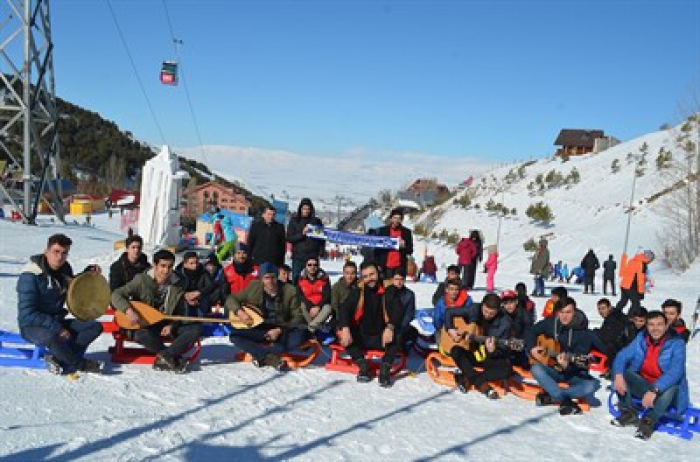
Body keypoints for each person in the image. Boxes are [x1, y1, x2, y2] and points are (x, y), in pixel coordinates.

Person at [17, 234, 104, 376]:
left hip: (57, 320)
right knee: (52, 337)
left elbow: (72, 285)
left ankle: (59, 358)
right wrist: (57, 328)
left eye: (64, 253)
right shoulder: (30, 276)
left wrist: (86, 274)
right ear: (47, 252)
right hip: (31, 326)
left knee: (94, 326)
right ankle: (80, 364)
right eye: (56, 252)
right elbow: (28, 313)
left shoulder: (64, 268)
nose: (60, 257)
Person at [111, 250, 203, 373]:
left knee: (195, 329)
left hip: (168, 323)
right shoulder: (141, 280)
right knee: (141, 335)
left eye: (170, 266)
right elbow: (116, 294)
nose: (166, 271)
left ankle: (165, 356)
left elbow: (181, 310)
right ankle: (170, 356)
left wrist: (172, 325)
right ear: (155, 265)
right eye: (163, 266)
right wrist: (128, 310)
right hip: (146, 324)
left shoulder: (180, 282)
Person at [611, 310, 689, 440]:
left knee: (671, 387)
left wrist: (655, 389)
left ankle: (648, 421)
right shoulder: (641, 338)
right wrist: (618, 375)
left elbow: (676, 371)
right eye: (651, 324)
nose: (655, 328)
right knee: (623, 373)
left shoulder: (677, 343)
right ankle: (629, 412)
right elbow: (622, 356)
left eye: (659, 324)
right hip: (646, 386)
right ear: (646, 326)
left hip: (668, 393)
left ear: (666, 325)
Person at [526, 297, 606, 415]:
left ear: (575, 312)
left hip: (575, 375)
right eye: (561, 312)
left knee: (592, 386)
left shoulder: (584, 334)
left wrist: (567, 366)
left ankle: (554, 396)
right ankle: (564, 399)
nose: (564, 316)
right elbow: (530, 331)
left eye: (568, 312)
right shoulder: (553, 323)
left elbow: (599, 354)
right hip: (554, 369)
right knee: (536, 369)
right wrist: (532, 348)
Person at [226, 263, 308, 370]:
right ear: (261, 278)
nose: (270, 281)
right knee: (235, 336)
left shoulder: (290, 290)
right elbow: (231, 299)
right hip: (261, 328)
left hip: (283, 328)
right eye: (266, 278)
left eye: (273, 277)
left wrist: (279, 330)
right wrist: (240, 312)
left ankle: (259, 353)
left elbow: (297, 317)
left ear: (277, 277)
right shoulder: (253, 288)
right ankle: (268, 356)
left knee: (297, 337)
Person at [337, 262, 405, 387]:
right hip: (363, 335)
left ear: (378, 272)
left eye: (372, 274)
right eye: (366, 276)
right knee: (342, 332)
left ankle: (385, 369)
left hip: (382, 337)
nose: (369, 279)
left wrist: (390, 327)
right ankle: (363, 365)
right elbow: (345, 308)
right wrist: (345, 328)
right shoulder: (358, 290)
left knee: (398, 331)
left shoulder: (389, 289)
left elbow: (398, 309)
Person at [445, 293, 513, 399]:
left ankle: (469, 377)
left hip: (488, 357)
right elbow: (449, 312)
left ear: (498, 311)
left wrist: (492, 351)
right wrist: (450, 329)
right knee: (456, 350)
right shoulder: (474, 309)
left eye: (491, 313)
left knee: (507, 369)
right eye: (485, 311)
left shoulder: (505, 323)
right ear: (482, 305)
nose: (487, 315)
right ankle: (481, 384)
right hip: (472, 352)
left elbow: (504, 350)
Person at [286, 198, 325, 282]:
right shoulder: (294, 221)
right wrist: (302, 234)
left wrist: (321, 251)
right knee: (296, 280)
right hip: (298, 257)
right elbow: (289, 238)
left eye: (308, 209)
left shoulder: (316, 221)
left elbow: (321, 238)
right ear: (300, 209)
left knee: (313, 281)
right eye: (304, 209)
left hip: (312, 257)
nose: (306, 211)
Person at [593, 298, 634, 370]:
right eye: (599, 309)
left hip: (616, 348)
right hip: (619, 346)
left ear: (609, 307)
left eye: (603, 308)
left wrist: (595, 332)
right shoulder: (616, 314)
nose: (601, 311)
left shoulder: (613, 318)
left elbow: (608, 336)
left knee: (589, 336)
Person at [375, 208, 414, 279]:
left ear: (401, 220)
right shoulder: (382, 231)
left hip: (400, 267)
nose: (397, 220)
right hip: (385, 266)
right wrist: (377, 264)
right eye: (395, 218)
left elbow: (410, 250)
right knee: (386, 288)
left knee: (398, 288)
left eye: (399, 218)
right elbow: (377, 249)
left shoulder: (407, 232)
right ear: (391, 219)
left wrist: (404, 246)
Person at [296, 257, 333, 333]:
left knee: (328, 308)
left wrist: (318, 306)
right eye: (309, 265)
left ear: (318, 266)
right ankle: (315, 329)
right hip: (307, 305)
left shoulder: (324, 277)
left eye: (315, 265)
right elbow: (299, 295)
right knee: (302, 305)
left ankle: (310, 329)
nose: (312, 267)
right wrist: (310, 306)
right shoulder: (300, 277)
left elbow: (327, 295)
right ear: (305, 266)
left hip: (320, 305)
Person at [176, 251, 218, 315]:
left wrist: (198, 293)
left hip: (200, 298)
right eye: (191, 263)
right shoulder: (178, 273)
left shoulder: (202, 271)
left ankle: (204, 316)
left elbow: (211, 285)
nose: (195, 265)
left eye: (196, 263)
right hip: (184, 299)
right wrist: (185, 297)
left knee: (213, 293)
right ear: (185, 264)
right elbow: (175, 290)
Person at [385, 270, 417, 353]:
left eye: (401, 279)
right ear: (392, 280)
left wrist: (400, 326)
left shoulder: (409, 294)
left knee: (413, 332)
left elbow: (410, 313)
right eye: (396, 279)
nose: (399, 282)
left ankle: (403, 348)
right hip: (387, 324)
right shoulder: (386, 292)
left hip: (401, 325)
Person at [433, 278, 472, 345]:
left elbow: (471, 316)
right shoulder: (441, 302)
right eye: (451, 289)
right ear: (446, 290)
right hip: (445, 329)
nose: (454, 292)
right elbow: (437, 320)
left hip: (463, 330)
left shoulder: (467, 301)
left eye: (456, 289)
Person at [501, 289, 534, 369]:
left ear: (516, 302)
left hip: (521, 347)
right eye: (505, 303)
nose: (508, 306)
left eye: (511, 302)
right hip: (505, 345)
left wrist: (521, 343)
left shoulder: (525, 315)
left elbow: (530, 333)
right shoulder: (501, 313)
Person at [615, 250, 654, 316]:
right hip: (630, 286)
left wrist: (623, 259)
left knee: (623, 301)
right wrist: (641, 292)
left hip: (624, 285)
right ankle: (629, 319)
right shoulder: (642, 264)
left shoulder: (633, 260)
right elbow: (640, 279)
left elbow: (623, 272)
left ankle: (614, 315)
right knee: (636, 304)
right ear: (648, 258)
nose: (650, 262)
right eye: (651, 260)